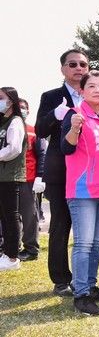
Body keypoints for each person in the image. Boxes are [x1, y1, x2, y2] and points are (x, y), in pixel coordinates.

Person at [60, 70, 99, 315]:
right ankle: (81, 294)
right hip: (83, 190)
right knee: (83, 244)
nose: (97, 89)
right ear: (82, 91)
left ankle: (90, 285)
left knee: (96, 243)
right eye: (91, 85)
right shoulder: (75, 115)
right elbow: (66, 147)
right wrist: (74, 129)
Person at [35, 48, 90, 295]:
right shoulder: (51, 96)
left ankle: (86, 278)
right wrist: (54, 115)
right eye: (73, 64)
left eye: (83, 64)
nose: (78, 68)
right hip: (61, 171)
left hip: (89, 171)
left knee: (88, 228)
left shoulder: (94, 94)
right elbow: (40, 130)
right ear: (63, 69)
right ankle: (60, 279)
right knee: (61, 224)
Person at [0, 87, 27, 271]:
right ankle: (6, 252)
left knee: (11, 216)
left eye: (1, 98)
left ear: (11, 100)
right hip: (2, 175)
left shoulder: (16, 121)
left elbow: (14, 148)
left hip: (10, 175)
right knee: (4, 216)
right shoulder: (3, 121)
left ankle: (12, 257)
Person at [17, 98, 46, 261]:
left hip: (28, 178)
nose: (22, 110)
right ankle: (10, 246)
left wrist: (40, 176)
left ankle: (31, 248)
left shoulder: (34, 130)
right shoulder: (4, 128)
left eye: (24, 107)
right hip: (7, 179)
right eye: (19, 107)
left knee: (29, 215)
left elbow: (42, 154)